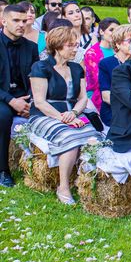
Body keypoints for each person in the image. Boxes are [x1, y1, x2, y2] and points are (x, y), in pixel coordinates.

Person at [29, 26, 101, 204]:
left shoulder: (77, 68)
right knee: (70, 138)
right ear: (57, 45)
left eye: (76, 45)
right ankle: (63, 186)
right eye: (71, 45)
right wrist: (63, 118)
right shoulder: (41, 67)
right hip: (44, 115)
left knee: (96, 136)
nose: (76, 49)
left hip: (73, 113)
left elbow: (83, 97)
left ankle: (87, 181)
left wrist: (74, 112)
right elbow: (39, 102)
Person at [0, 4, 39, 187]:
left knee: (43, 113)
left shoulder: (31, 47)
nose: (21, 24)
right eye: (16, 20)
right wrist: (11, 101)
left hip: (25, 97)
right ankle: (3, 170)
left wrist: (32, 101)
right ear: (3, 21)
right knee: (4, 116)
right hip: (2, 97)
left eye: (24, 21)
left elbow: (36, 77)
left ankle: (40, 170)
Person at [98, 24, 131, 127]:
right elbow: (106, 96)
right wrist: (130, 100)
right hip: (114, 111)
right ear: (118, 44)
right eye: (130, 41)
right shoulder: (106, 63)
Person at [84, 17, 120, 112]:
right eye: (111, 30)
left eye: (117, 30)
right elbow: (98, 79)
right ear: (101, 32)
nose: (114, 33)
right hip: (98, 93)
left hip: (117, 90)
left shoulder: (119, 51)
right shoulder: (92, 53)